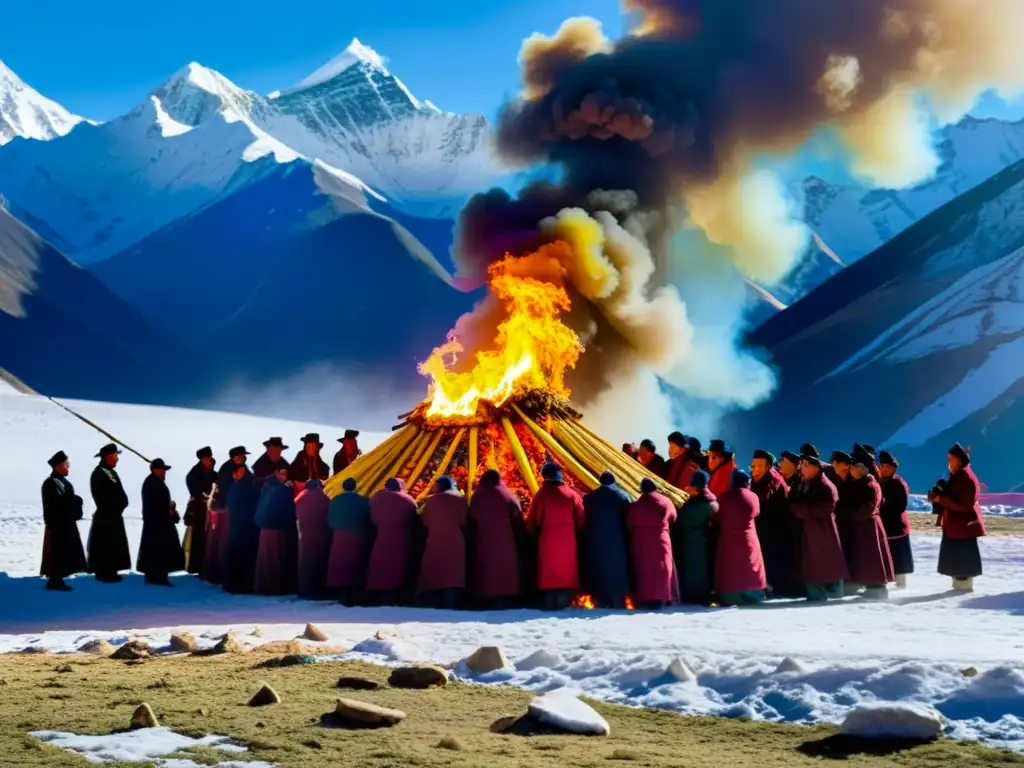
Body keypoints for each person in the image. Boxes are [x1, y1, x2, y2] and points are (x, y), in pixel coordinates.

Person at [526, 462, 586, 611]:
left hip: (547, 543)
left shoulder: (542, 495)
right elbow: (581, 520)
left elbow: (533, 521)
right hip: (568, 544)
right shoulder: (572, 495)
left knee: (549, 579)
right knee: (565, 578)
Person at [929, 443, 986, 592]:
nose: (948, 462)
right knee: (956, 560)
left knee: (963, 561)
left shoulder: (966, 478)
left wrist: (941, 500)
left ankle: (963, 591)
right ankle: (959, 588)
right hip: (956, 527)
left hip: (964, 526)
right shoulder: (957, 475)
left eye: (951, 459)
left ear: (959, 460)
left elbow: (964, 505)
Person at [789, 455, 847, 601]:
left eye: (806, 465)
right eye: (802, 465)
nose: (802, 468)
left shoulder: (825, 486)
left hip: (821, 532)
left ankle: (821, 594)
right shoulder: (805, 483)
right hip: (809, 531)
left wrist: (800, 510)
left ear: (816, 468)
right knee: (813, 565)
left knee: (819, 564)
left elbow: (825, 508)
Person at [467, 469, 525, 610]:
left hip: (484, 539)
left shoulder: (477, 496)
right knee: (505, 571)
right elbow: (517, 516)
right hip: (505, 540)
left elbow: (471, 517)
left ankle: (488, 602)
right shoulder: (507, 494)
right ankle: (507, 602)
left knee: (487, 572)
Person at [749, 449, 799, 598]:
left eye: (759, 466)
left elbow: (764, 507)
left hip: (775, 533)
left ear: (768, 467)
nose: (755, 470)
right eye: (753, 466)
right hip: (765, 531)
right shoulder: (757, 482)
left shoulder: (773, 483)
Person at [713, 469, 767, 606]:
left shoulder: (724, 497)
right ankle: (754, 594)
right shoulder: (753, 497)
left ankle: (730, 596)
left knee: (730, 569)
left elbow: (716, 518)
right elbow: (756, 513)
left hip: (728, 540)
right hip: (749, 538)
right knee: (751, 568)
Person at [364, 478, 421, 605]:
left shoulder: (377, 499)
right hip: (402, 540)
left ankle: (377, 595)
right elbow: (413, 518)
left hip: (382, 538)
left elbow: (372, 518)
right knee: (397, 567)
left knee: (381, 565)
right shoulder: (408, 501)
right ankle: (395, 596)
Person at [581, 471, 632, 609]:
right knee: (616, 571)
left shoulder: (589, 498)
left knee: (598, 570)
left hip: (594, 542)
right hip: (618, 542)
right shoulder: (623, 497)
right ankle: (617, 602)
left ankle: (600, 601)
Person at [417, 476, 469, 610]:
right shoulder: (460, 499)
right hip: (455, 542)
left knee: (435, 572)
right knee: (453, 575)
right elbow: (464, 521)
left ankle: (434, 604)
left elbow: (425, 521)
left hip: (434, 540)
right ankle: (451, 604)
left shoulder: (431, 500)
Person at [627, 477, 679, 610]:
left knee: (644, 569)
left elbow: (629, 523)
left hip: (640, 541)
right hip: (662, 538)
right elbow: (673, 517)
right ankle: (664, 596)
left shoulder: (635, 506)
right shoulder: (666, 502)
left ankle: (645, 598)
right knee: (663, 568)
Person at [40, 450, 87, 591]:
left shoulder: (61, 482)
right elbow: (58, 503)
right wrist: (75, 501)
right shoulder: (50, 483)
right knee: (57, 552)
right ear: (58, 465)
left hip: (65, 523)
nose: (68, 467)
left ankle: (59, 577)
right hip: (57, 524)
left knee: (64, 551)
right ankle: (54, 580)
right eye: (66, 464)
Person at [846, 462, 894, 600]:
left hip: (870, 527)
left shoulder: (870, 485)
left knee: (874, 558)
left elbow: (868, 508)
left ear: (865, 469)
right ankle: (870, 587)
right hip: (863, 527)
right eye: (853, 467)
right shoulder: (858, 484)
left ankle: (877, 589)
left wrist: (850, 515)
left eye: (857, 467)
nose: (853, 470)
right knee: (867, 559)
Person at [204, 445, 249, 584]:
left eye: (243, 456)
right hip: (226, 513)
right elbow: (225, 492)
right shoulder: (226, 471)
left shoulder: (245, 469)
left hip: (240, 513)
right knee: (223, 543)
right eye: (239, 456)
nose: (241, 458)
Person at [87, 443, 131, 583]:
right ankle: (105, 573)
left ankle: (111, 570)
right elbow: (102, 497)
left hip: (114, 516)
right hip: (106, 517)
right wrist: (113, 508)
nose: (117, 459)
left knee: (113, 546)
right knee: (105, 546)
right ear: (108, 456)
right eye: (115, 455)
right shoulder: (99, 474)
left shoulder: (111, 473)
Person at [137, 459, 185, 586]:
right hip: (157, 523)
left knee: (158, 551)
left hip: (159, 523)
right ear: (155, 470)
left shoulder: (155, 483)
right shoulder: (152, 484)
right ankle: (157, 577)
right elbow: (155, 505)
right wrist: (168, 509)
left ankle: (156, 576)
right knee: (158, 551)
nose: (164, 472)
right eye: (162, 470)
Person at [326, 477, 374, 605]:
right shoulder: (363, 500)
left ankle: (340, 592)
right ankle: (354, 591)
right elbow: (368, 518)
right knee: (354, 563)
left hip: (340, 535)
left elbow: (330, 519)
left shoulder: (335, 500)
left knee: (340, 563)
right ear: (355, 487)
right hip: (357, 535)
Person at [253, 467, 299, 595]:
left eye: (286, 473)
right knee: (273, 560)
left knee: (266, 560)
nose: (284, 475)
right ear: (276, 473)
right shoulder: (280, 490)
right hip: (275, 528)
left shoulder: (267, 487)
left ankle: (263, 586)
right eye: (282, 473)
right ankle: (273, 588)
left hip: (264, 527)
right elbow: (287, 510)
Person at [673, 469, 716, 605]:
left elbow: (680, 522)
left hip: (689, 541)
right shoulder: (712, 503)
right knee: (702, 569)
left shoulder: (689, 506)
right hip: (704, 542)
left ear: (695, 487)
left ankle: (691, 594)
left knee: (691, 570)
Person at [222, 463, 260, 594]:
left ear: (242, 471)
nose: (234, 475)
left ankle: (240, 585)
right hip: (239, 526)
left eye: (236, 472)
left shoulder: (247, 487)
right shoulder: (238, 486)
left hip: (245, 527)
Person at [878, 450, 914, 588]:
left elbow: (901, 506)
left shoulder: (898, 484)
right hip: (885, 526)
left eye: (887, 467)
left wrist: (884, 506)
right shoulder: (881, 481)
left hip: (896, 526)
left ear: (893, 468)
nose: (884, 469)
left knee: (899, 557)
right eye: (882, 466)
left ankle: (901, 585)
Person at [295, 478, 333, 600]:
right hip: (321, 535)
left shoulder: (300, 499)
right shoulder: (324, 499)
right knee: (319, 562)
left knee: (306, 563)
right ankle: (319, 590)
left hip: (305, 536)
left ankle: (305, 589)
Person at [183, 446, 216, 576]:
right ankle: (196, 566)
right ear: (202, 459)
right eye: (207, 458)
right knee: (198, 537)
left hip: (210, 508)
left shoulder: (211, 470)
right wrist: (202, 496)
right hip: (198, 509)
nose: (209, 460)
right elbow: (194, 490)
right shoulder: (194, 473)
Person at [829, 450, 856, 591]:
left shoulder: (852, 480)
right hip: (838, 523)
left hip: (849, 524)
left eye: (835, 463)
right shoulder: (834, 479)